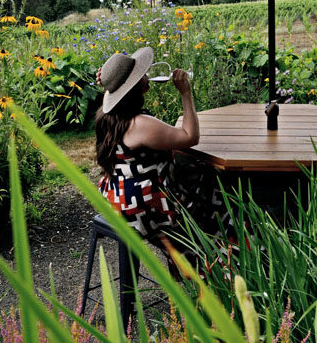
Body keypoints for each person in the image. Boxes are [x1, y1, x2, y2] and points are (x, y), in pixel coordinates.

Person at [94, 46, 231, 261]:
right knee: (213, 185)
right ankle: (215, 259)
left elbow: (111, 89)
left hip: (116, 193)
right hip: (143, 204)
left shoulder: (108, 114)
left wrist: (108, 78)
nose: (146, 76)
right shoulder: (139, 124)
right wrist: (186, 93)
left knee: (196, 172)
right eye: (142, 75)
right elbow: (190, 137)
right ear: (132, 88)